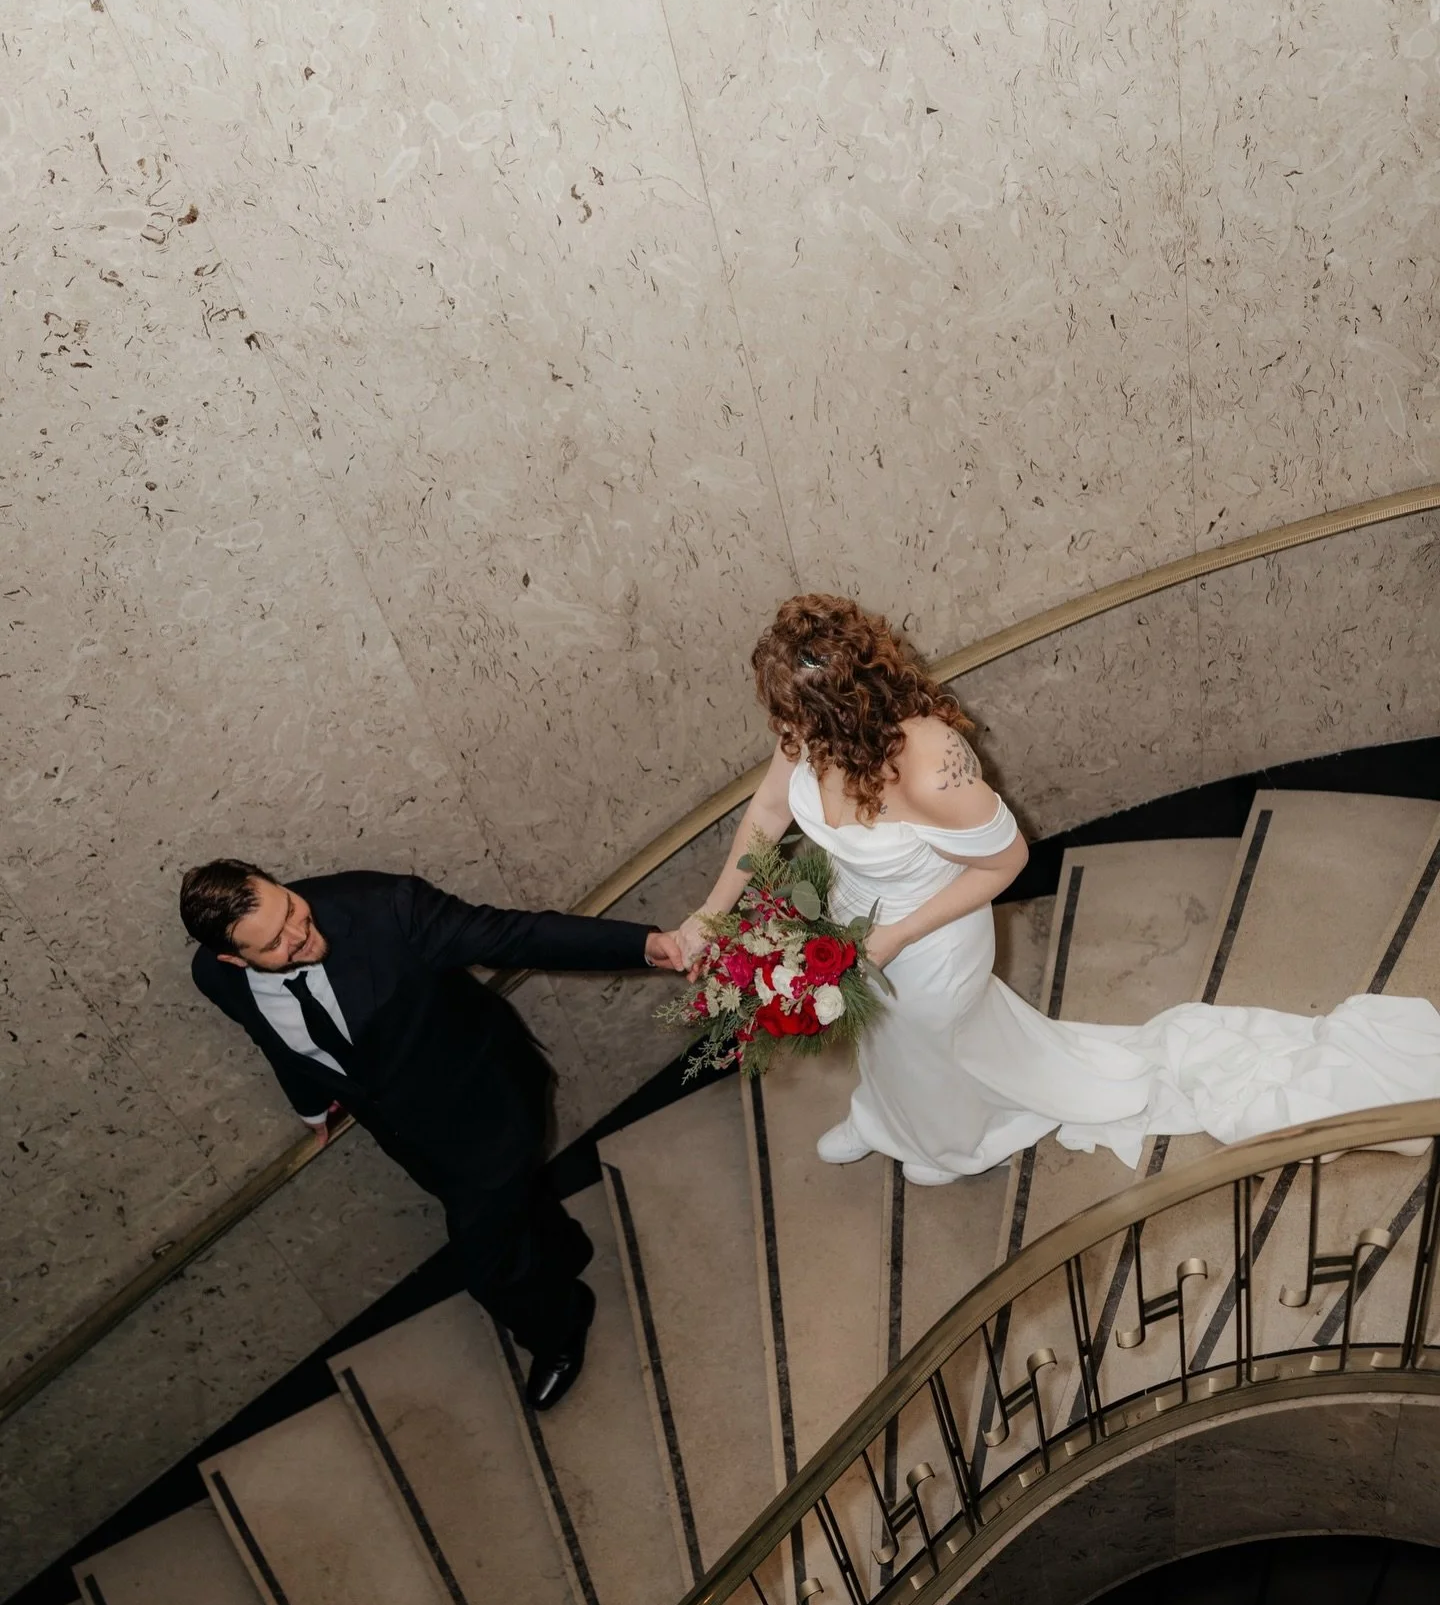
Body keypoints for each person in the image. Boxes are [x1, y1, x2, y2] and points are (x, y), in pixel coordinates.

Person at [678, 593, 1440, 1185]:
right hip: (851, 928)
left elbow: (1005, 861)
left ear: (841, 708)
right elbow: (771, 811)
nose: (783, 732)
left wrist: (897, 937)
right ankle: (889, 1121)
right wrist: (713, 915)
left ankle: (957, 1142)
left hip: (931, 944)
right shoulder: (802, 733)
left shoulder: (931, 762)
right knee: (888, 1045)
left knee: (931, 1039)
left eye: (794, 715)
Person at [182, 861, 683, 1408]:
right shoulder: (215, 977)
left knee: (491, 1269)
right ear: (233, 958)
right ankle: (563, 1250)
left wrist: (647, 946)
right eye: (274, 943)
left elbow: (515, 936)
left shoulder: (385, 907)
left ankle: (560, 1330)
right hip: (412, 1136)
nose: (299, 934)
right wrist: (311, 1107)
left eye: (291, 910)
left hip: (488, 1105)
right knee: (513, 1207)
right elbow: (273, 1040)